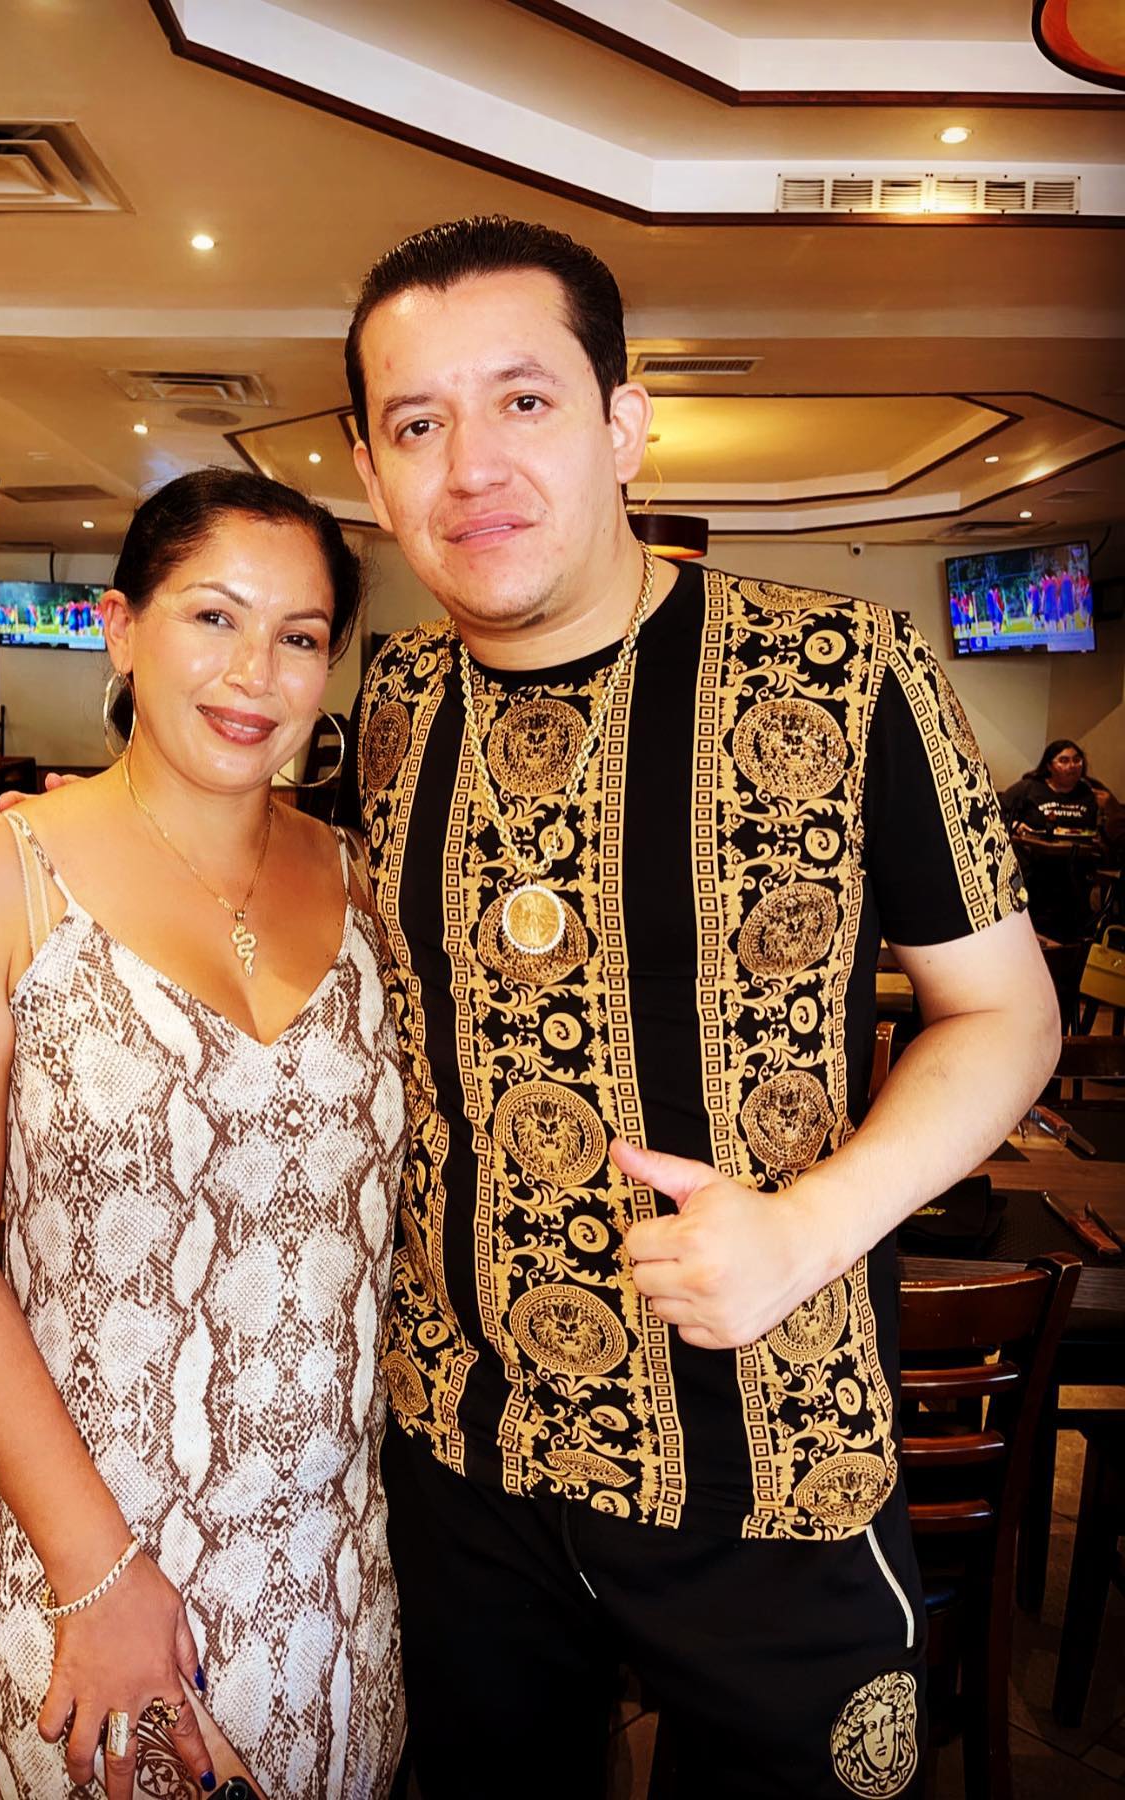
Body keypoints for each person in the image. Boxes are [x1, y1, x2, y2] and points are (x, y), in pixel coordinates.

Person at [335, 215, 1059, 1798]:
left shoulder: (846, 665)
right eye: (418, 423)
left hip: (770, 1455)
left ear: (623, 424)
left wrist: (806, 1232)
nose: (472, 466)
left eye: (524, 400)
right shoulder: (389, 703)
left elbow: (1008, 1015)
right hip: (462, 1457)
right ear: (373, 473)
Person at [0, 469, 406, 1800]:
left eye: (298, 636)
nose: (254, 673)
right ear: (119, 629)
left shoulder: (361, 877)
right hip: (92, 1556)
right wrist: (97, 1574)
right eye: (212, 617)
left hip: (337, 1564)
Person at [1000, 739, 1103, 944]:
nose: (1072, 766)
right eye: (1064, 760)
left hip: (1077, 867)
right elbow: (998, 811)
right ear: (1049, 765)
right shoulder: (1029, 788)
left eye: (1077, 760)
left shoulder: (1090, 792)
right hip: (1034, 867)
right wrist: (1017, 825)